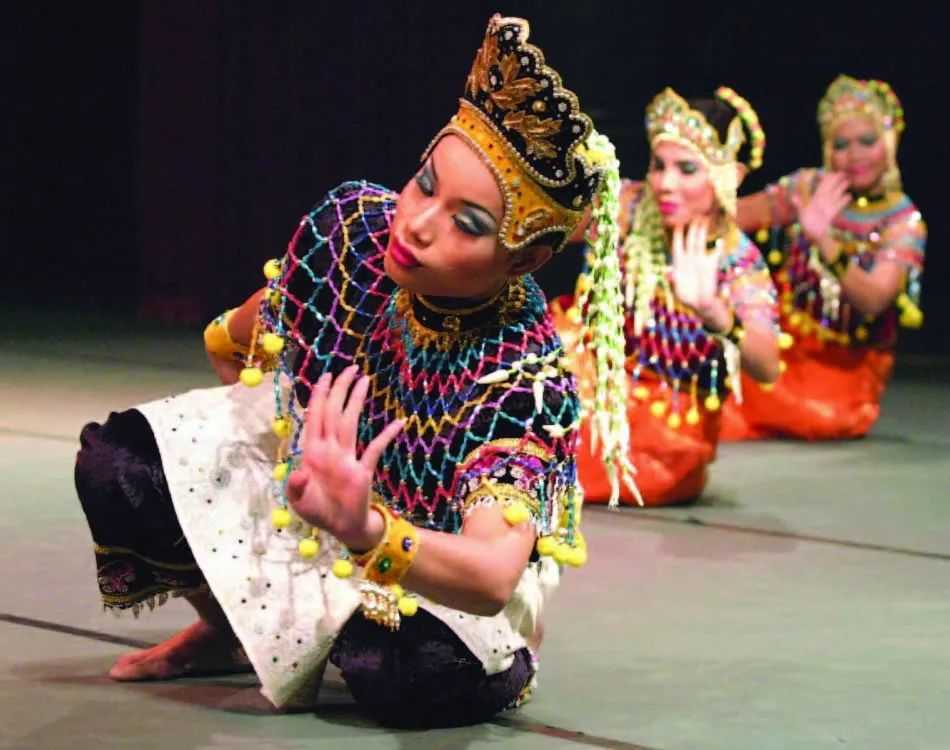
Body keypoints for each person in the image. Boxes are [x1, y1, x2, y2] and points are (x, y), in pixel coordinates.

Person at [74, 15, 626, 727]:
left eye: (467, 223)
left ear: (524, 259)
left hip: (431, 567)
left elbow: (491, 574)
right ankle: (232, 629)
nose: (417, 222)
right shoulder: (355, 229)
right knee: (122, 462)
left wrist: (365, 525)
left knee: (408, 671)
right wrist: (284, 450)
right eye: (424, 184)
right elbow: (239, 339)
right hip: (322, 506)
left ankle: (371, 639)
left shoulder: (522, 375)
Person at [554, 86, 779, 506]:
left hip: (667, 429)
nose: (664, 183)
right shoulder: (629, 205)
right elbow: (547, 227)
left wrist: (717, 315)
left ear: (729, 177)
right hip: (594, 379)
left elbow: (767, 366)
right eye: (659, 166)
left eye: (687, 169)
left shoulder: (736, 261)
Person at [722, 76, 926, 441]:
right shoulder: (809, 187)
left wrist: (824, 239)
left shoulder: (903, 221)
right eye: (841, 144)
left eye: (867, 141)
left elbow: (873, 301)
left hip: (844, 372)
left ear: (890, 143)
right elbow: (735, 215)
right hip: (781, 346)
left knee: (817, 418)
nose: (854, 155)